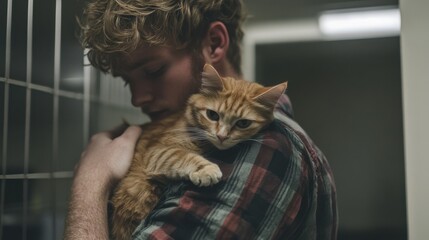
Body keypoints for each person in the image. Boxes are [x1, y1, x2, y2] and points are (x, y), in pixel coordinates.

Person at [64, 0, 338, 239]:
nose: (138, 99)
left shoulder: (264, 147)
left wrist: (90, 183)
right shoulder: (197, 131)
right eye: (127, 81)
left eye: (154, 71)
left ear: (214, 44)